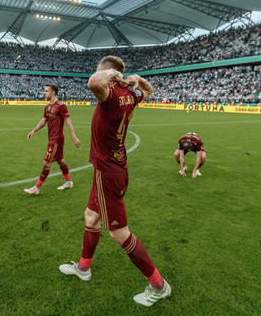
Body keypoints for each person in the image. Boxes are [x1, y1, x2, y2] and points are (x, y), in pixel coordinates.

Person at [59, 56, 171, 307]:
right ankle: (83, 268)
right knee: (91, 216)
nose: (99, 75)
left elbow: (92, 82)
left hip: (109, 173)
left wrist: (109, 76)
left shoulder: (110, 95)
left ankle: (158, 285)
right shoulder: (129, 94)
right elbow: (147, 91)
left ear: (109, 73)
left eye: (101, 70)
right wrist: (137, 79)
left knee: (119, 233)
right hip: (111, 169)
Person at [24, 83, 81, 195]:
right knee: (60, 160)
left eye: (46, 91)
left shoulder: (61, 106)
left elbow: (68, 122)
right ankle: (69, 181)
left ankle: (36, 188)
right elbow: (43, 121)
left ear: (53, 92)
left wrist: (74, 137)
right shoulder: (47, 107)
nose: (44, 93)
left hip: (56, 139)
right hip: (52, 138)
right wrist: (33, 130)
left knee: (46, 163)